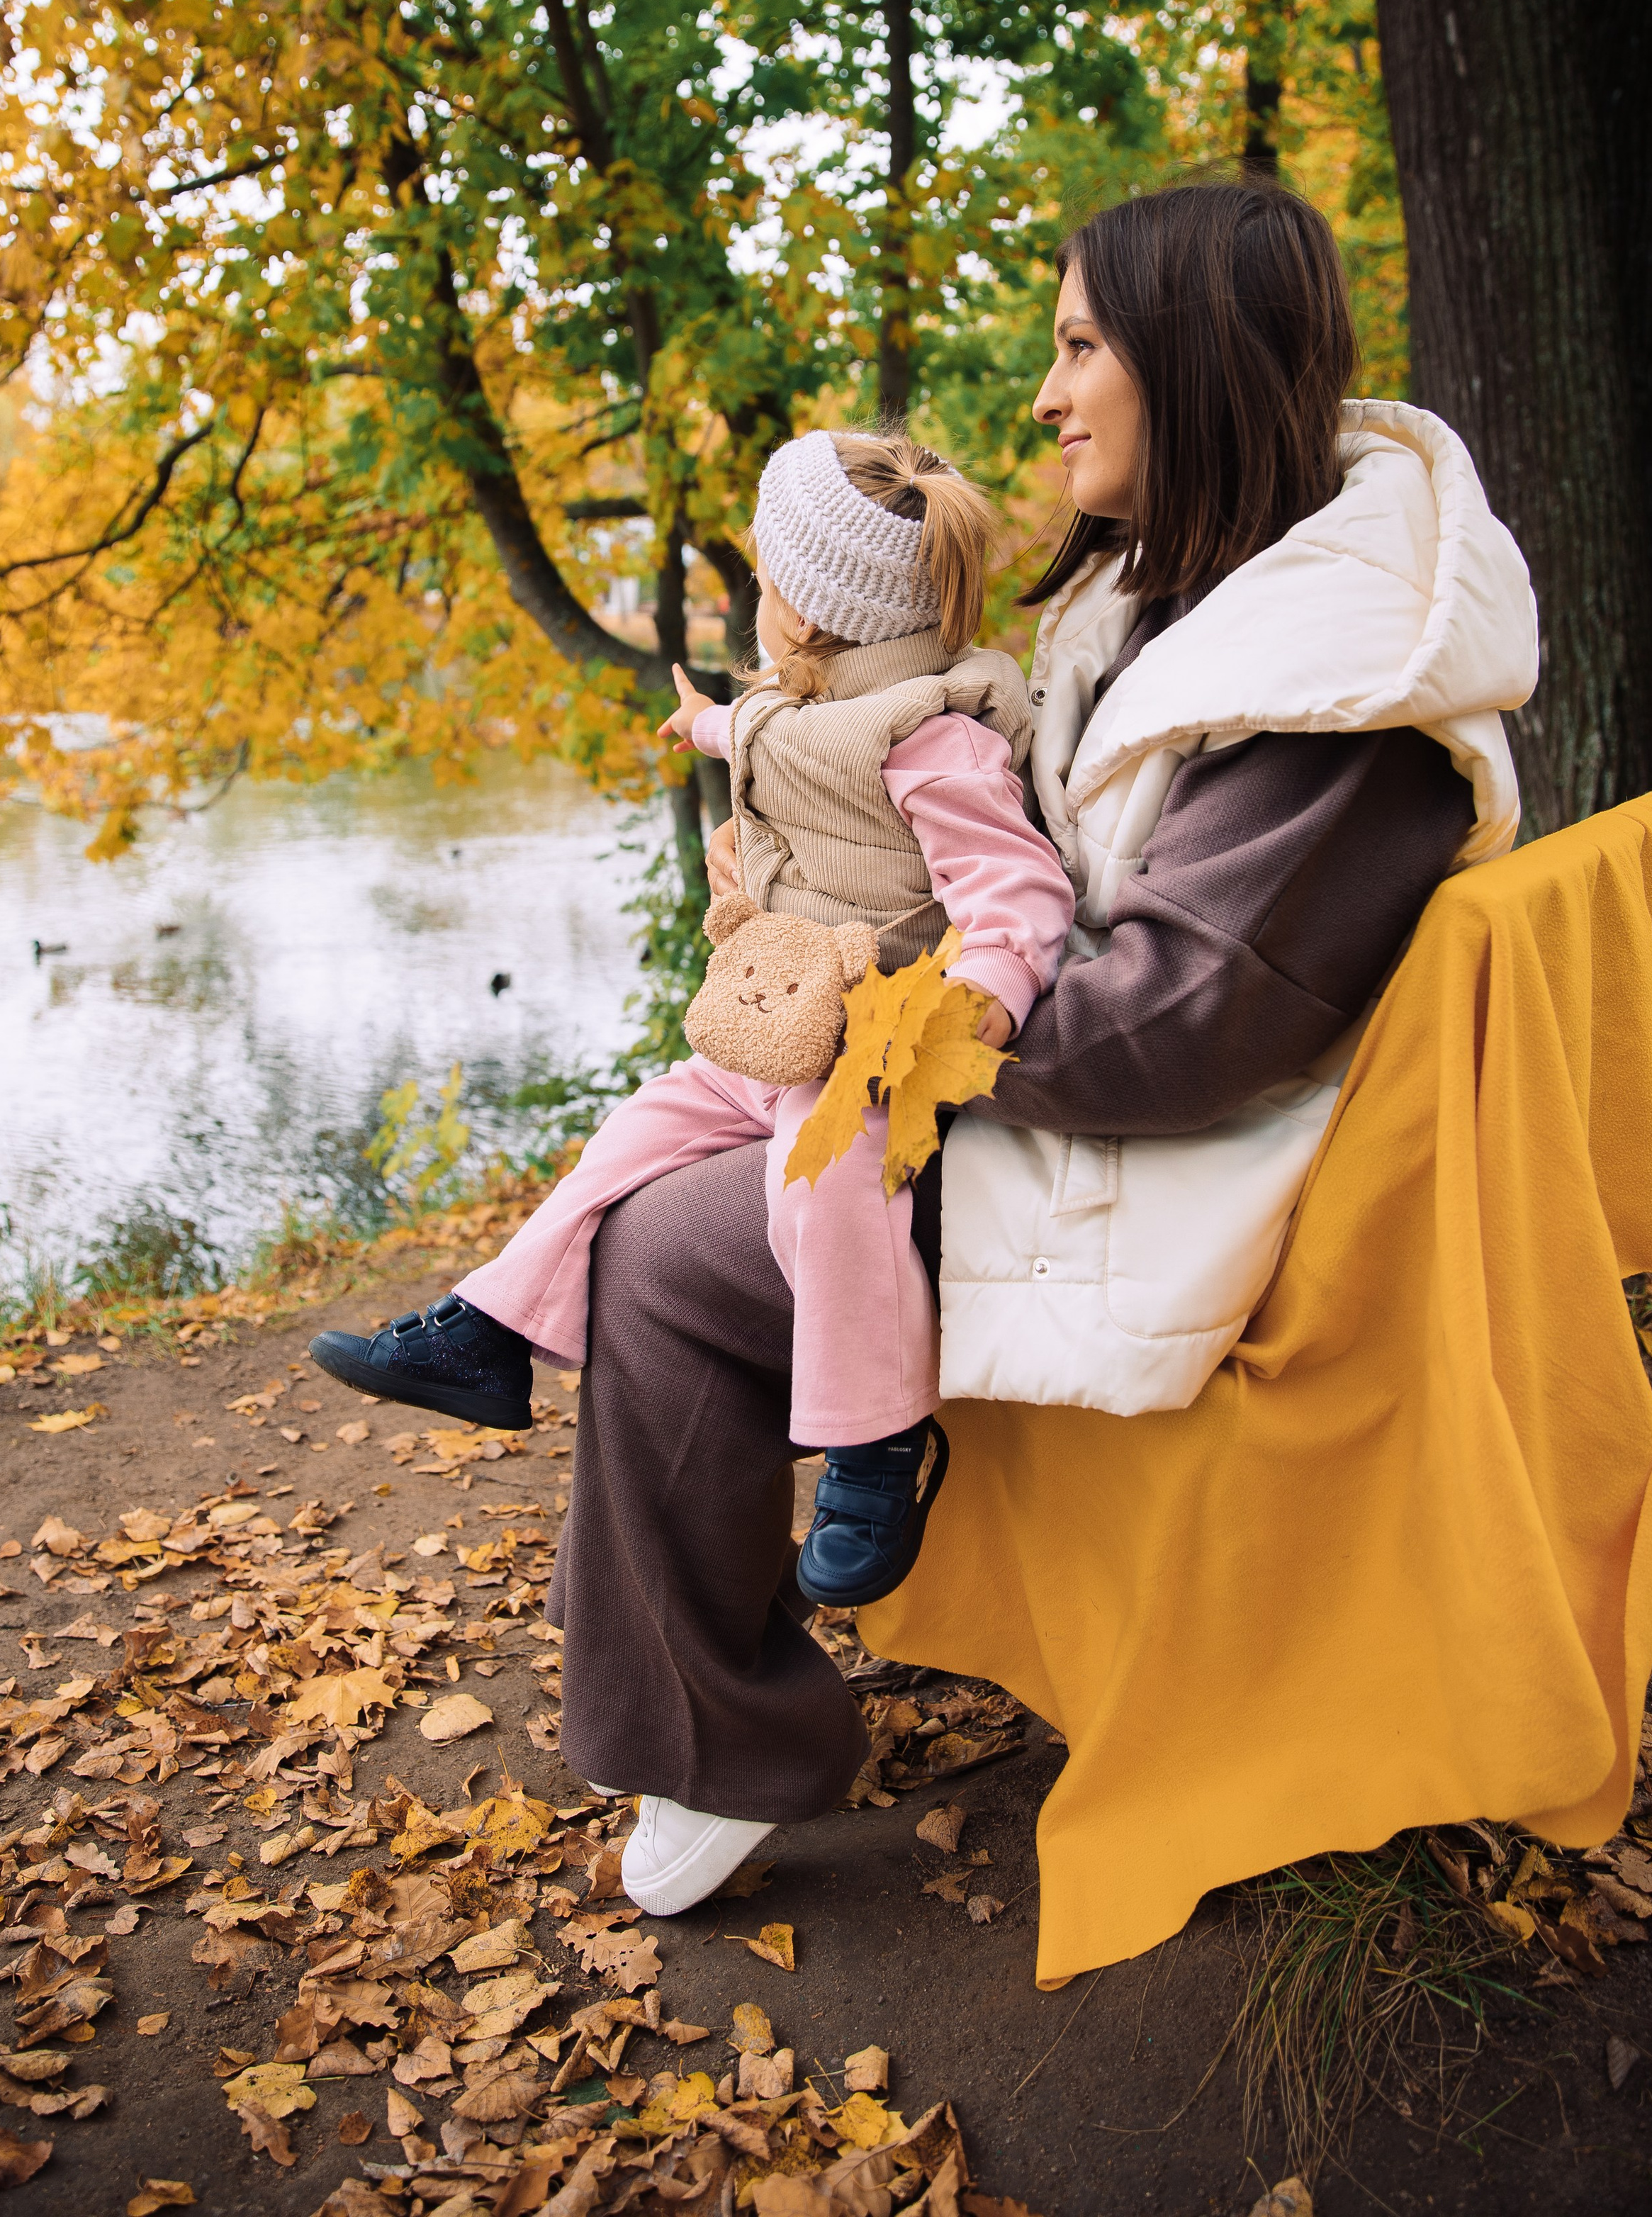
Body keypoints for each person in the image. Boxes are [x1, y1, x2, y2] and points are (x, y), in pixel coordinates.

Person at [517, 178, 1534, 1921]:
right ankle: (710, 1683)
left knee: (670, 1248)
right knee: (679, 1173)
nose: (1048, 394)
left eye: (1080, 348)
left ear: (1193, 363)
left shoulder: (1333, 684)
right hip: (1069, 1113)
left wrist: (859, 1003)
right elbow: (1066, 901)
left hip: (1176, 1177)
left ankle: (715, 1738)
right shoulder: (1198, 609)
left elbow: (1164, 1023)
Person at [311, 430, 1076, 1631]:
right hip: (779, 1021)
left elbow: (1018, 894)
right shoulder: (806, 698)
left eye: (769, 579)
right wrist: (703, 727)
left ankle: (874, 1445)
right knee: (635, 1130)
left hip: (874, 1045)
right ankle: (490, 1333)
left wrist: (979, 997)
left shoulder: (936, 739)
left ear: (817, 616)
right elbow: (762, 733)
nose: (759, 600)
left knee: (821, 1188)